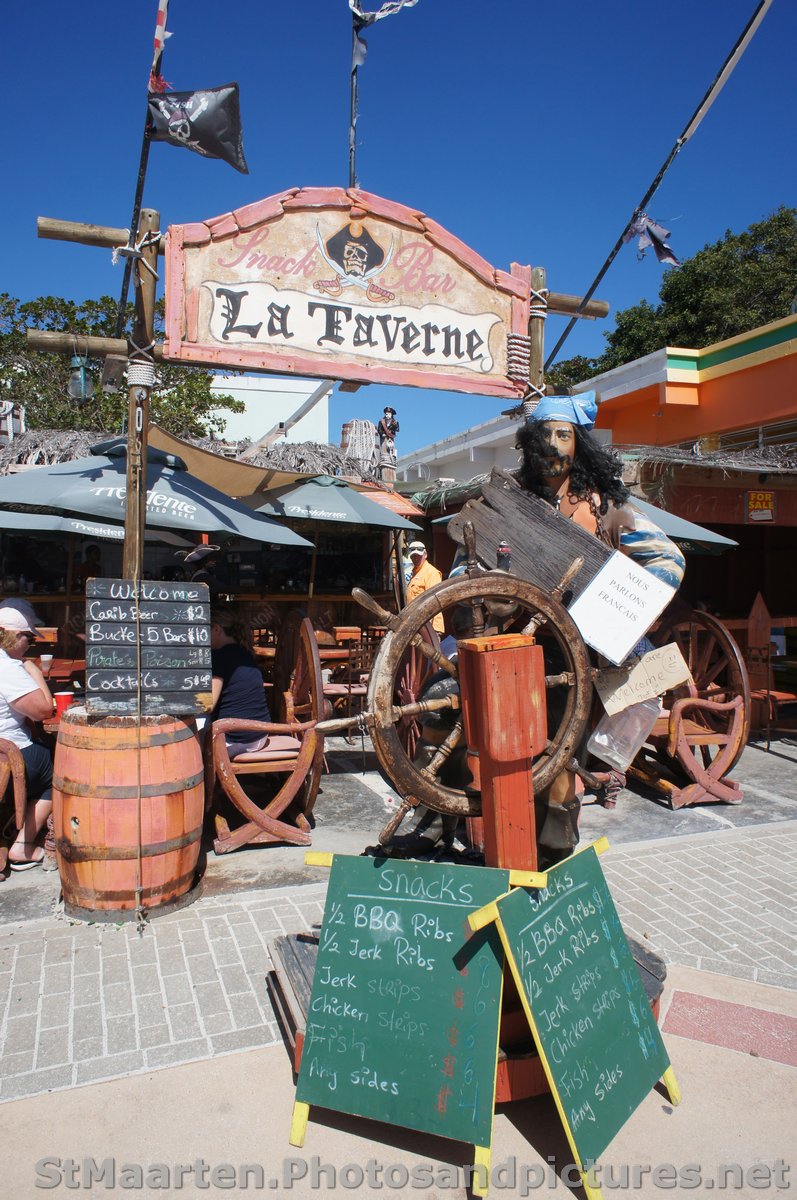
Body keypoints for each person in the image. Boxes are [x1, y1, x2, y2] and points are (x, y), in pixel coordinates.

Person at [515, 392, 686, 858]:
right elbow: (465, 569)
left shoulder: (606, 508)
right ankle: (463, 831)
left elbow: (668, 559)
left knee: (559, 756)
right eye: (543, 435)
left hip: (572, 657)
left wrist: (626, 617)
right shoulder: (511, 499)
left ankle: (554, 858)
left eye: (562, 435)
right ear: (529, 443)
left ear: (579, 444)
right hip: (510, 649)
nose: (552, 444)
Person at [0, 603, 55, 871]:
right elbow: (43, 711)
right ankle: (23, 845)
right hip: (8, 754)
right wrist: (34, 671)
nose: (29, 644)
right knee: (61, 771)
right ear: (10, 635)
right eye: (27, 638)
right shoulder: (7, 667)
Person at [209, 609, 272, 758]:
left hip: (236, 741)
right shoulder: (245, 653)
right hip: (260, 735)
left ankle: (205, 779)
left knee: (192, 731)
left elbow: (209, 704)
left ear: (217, 629)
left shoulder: (219, 656)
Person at [405, 541, 444, 634]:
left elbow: (433, 601)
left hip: (428, 626)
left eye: (418, 556)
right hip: (417, 625)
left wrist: (429, 629)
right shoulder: (415, 572)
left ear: (425, 555)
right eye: (413, 556)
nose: (415, 558)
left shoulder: (431, 573)